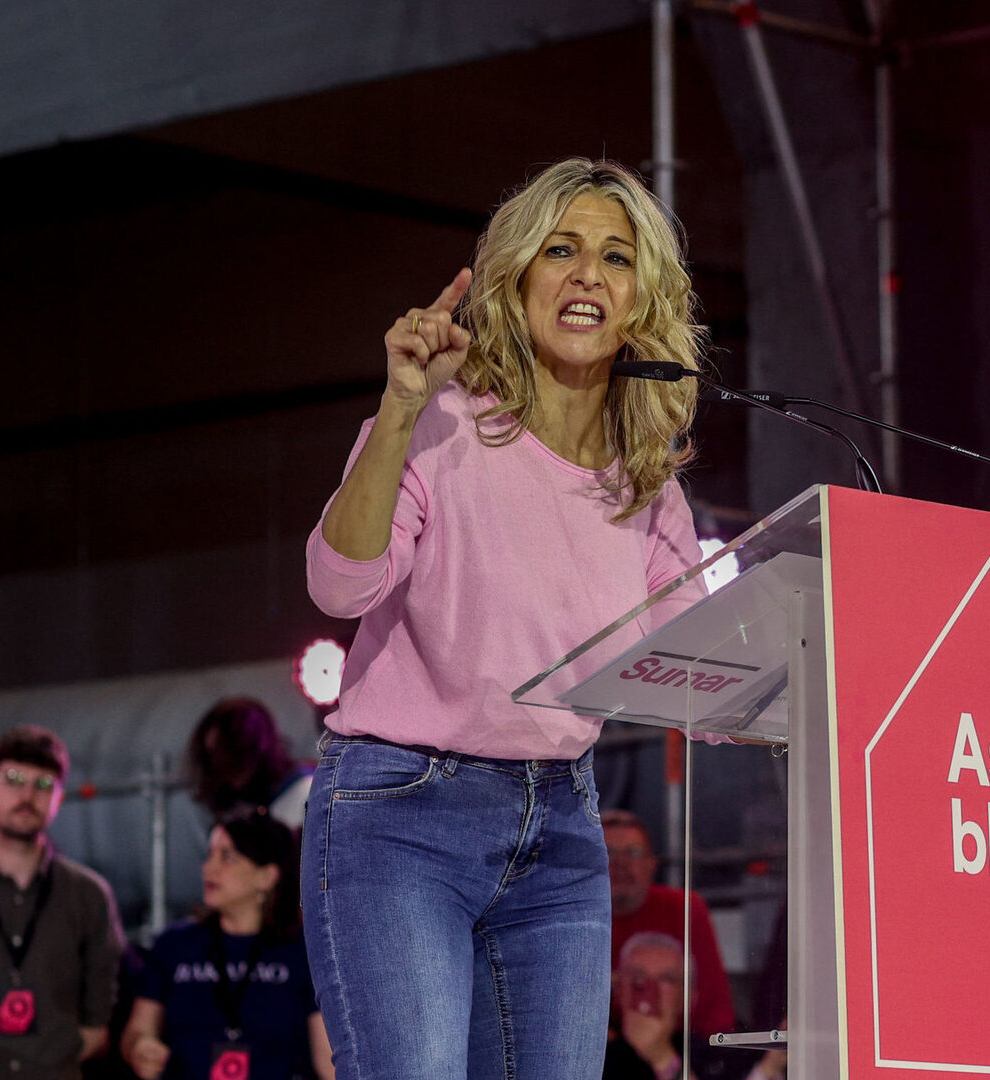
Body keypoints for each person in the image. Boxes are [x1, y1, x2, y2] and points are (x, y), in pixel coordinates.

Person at [301, 157, 708, 1080]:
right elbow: (338, 588)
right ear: (516, 278)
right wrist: (399, 408)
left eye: (616, 257)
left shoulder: (649, 485)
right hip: (402, 816)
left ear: (641, 300)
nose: (587, 275)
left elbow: (698, 670)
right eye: (560, 250)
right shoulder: (440, 424)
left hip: (562, 829)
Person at [121, 807, 333, 1080]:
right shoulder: (175, 944)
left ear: (267, 876)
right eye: (210, 855)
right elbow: (138, 1031)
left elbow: (327, 1062)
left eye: (227, 858)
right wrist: (141, 1048)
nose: (208, 868)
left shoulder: (302, 952)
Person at [0, 725, 125, 1080]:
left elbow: (98, 1023)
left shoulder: (88, 895)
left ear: (60, 800)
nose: (27, 795)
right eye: (13, 780)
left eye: (44, 784)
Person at [605, 809, 736, 1037]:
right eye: (608, 852)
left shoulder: (684, 908)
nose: (620, 863)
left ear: (651, 864)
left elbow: (714, 1013)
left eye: (634, 852)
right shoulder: (569, 918)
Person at [603, 932, 745, 1080]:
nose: (650, 991)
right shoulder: (596, 1053)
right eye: (638, 976)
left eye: (666, 979)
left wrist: (662, 1057)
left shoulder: (711, 1058)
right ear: (618, 988)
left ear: (688, 997)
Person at [186, 698, 314, 829]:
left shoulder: (307, 793)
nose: (219, 768)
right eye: (210, 756)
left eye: (226, 755)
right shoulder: (243, 812)